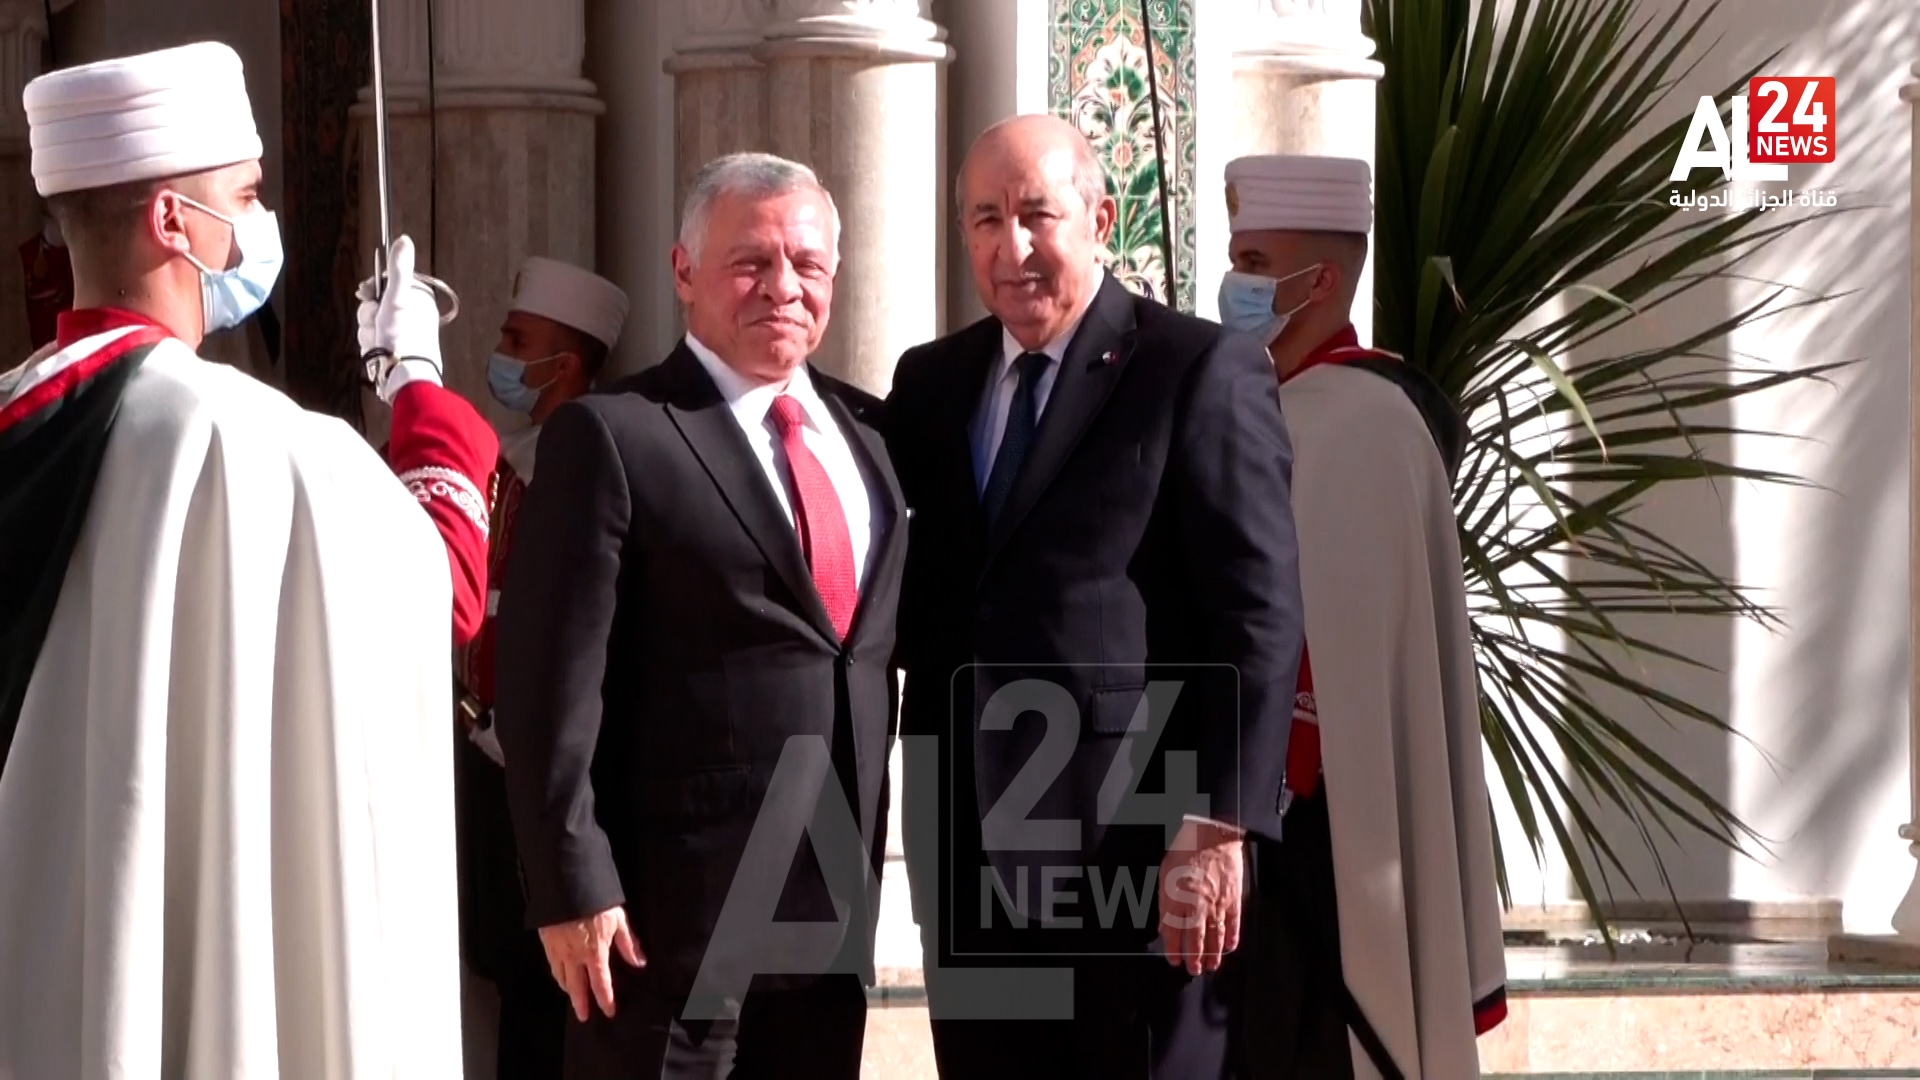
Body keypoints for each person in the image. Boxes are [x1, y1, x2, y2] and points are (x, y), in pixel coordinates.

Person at [0, 41, 493, 1076]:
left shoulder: (17, 412)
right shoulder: (239, 437)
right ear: (172, 221)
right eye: (247, 195)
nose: (261, 223)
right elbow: (438, 587)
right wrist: (415, 380)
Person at [884, 113, 1306, 1079]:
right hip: (970, 858)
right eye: (985, 219)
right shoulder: (931, 384)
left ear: (1100, 219)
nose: (1012, 247)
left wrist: (1220, 819)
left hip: (1143, 858)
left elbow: (1259, 614)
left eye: (1037, 214)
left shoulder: (1196, 369)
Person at [493, 152, 903, 1079]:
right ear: (684, 271)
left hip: (827, 931)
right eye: (751, 261)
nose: (783, 286)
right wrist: (570, 884)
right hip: (660, 941)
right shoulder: (615, 433)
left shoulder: (873, 437)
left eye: (808, 263)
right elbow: (546, 688)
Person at [1218, 152, 1506, 1078]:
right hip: (1237, 832)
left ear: (1322, 281)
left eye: (1256, 265)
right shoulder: (1258, 406)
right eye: (1236, 260)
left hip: (1323, 838)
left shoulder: (1366, 425)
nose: (1237, 287)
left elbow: (1336, 651)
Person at [455, 255, 630, 1077]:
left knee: (556, 993)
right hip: (484, 750)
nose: (504, 356)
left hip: (562, 766)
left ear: (565, 363)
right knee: (502, 963)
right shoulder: (502, 460)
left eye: (519, 343)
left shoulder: (600, 459)